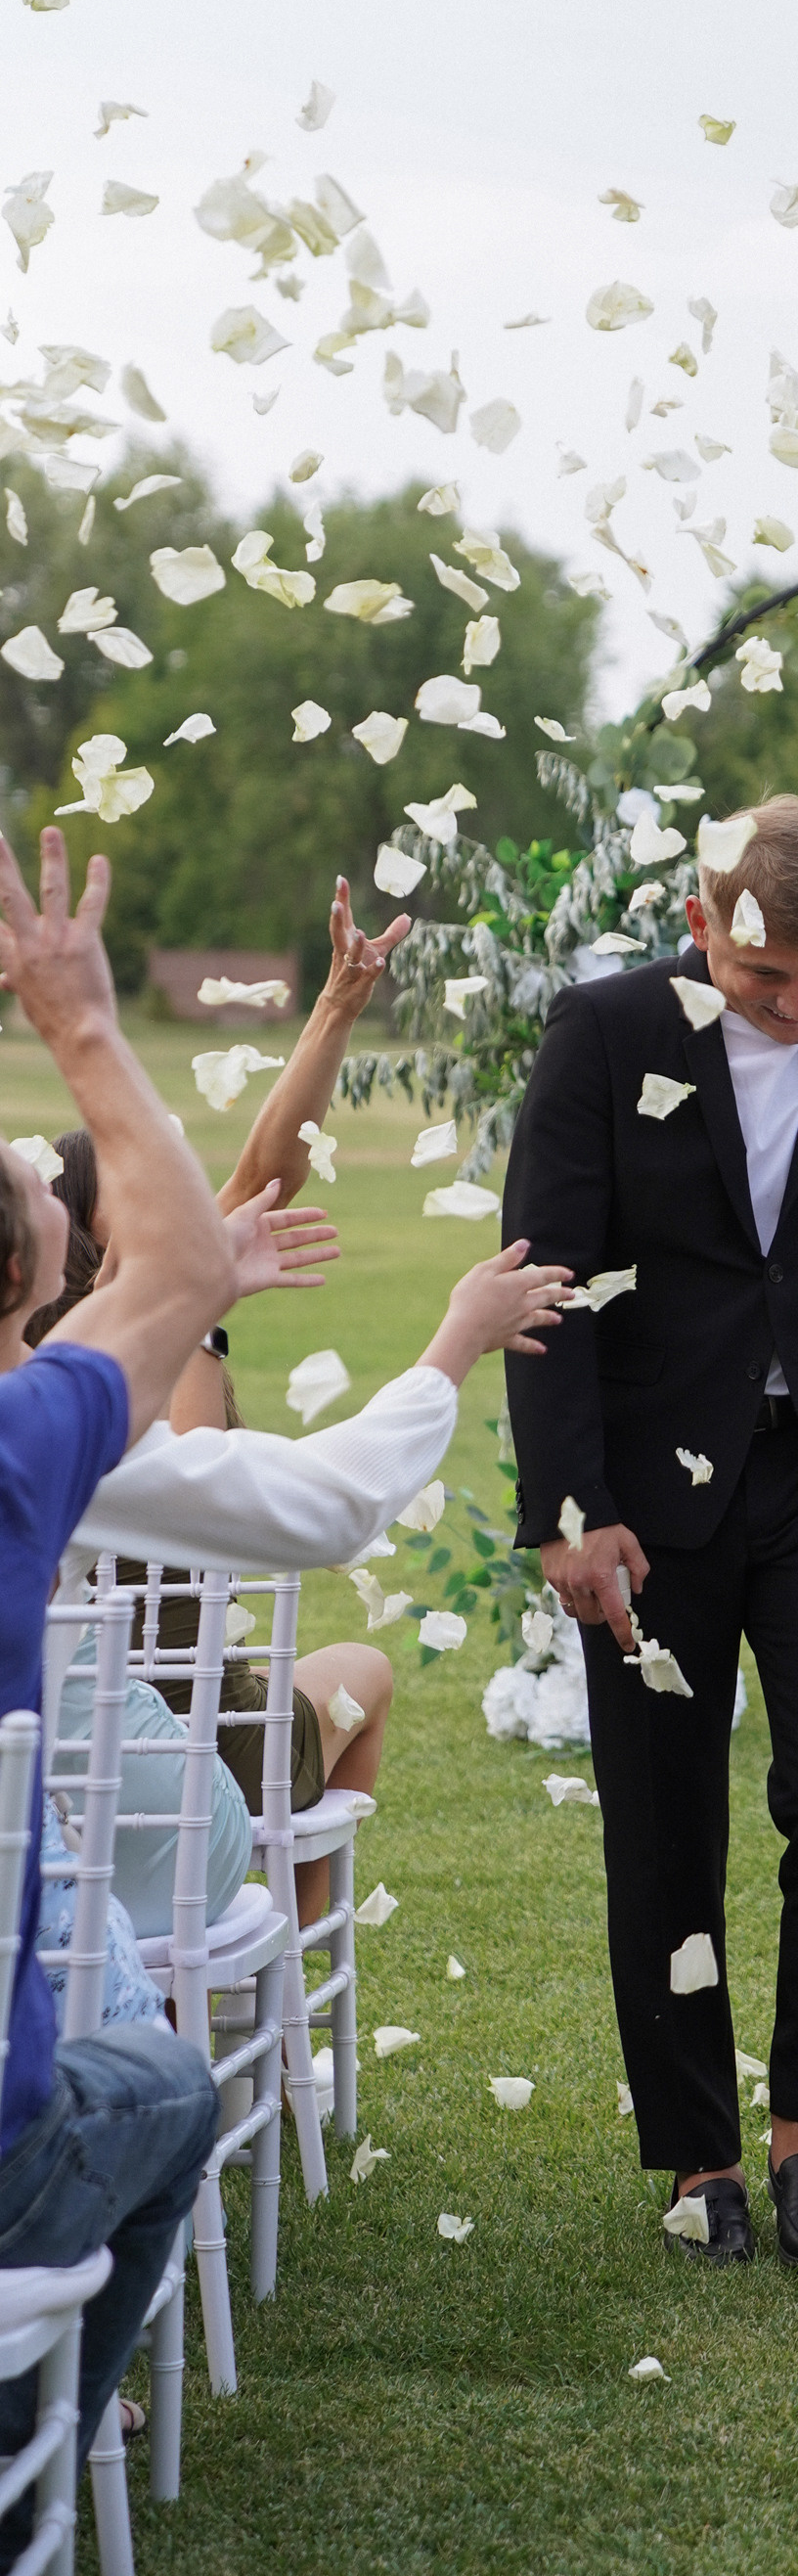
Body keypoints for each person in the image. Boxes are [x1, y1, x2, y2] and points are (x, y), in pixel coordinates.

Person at [500, 793, 798, 2268]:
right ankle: (700, 2151)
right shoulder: (602, 1033)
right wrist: (571, 1513)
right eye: (768, 978)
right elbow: (552, 1284)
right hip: (650, 1496)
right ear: (703, 922)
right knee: (663, 1812)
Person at [26, 876, 410, 1923]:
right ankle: (287, 1949)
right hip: (192, 1742)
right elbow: (207, 1520)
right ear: (107, 1232)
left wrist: (334, 1005)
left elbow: (266, 1169)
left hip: (52, 1738)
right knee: (365, 1666)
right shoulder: (164, 1343)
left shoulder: (47, 1358)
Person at [0, 826, 230, 2549]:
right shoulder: (24, 1449)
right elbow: (184, 1271)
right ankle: (40, 2481)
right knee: (165, 2087)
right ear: (30, 1281)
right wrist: (77, 1019)